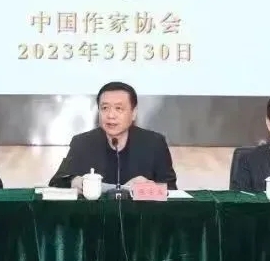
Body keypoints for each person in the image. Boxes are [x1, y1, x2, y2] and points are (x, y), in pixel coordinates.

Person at [48, 81, 177, 190]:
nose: (111, 115)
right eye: (105, 108)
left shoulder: (154, 143)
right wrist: (75, 182)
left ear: (133, 113)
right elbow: (57, 182)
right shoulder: (82, 142)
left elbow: (171, 189)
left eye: (118, 108)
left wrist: (148, 187)